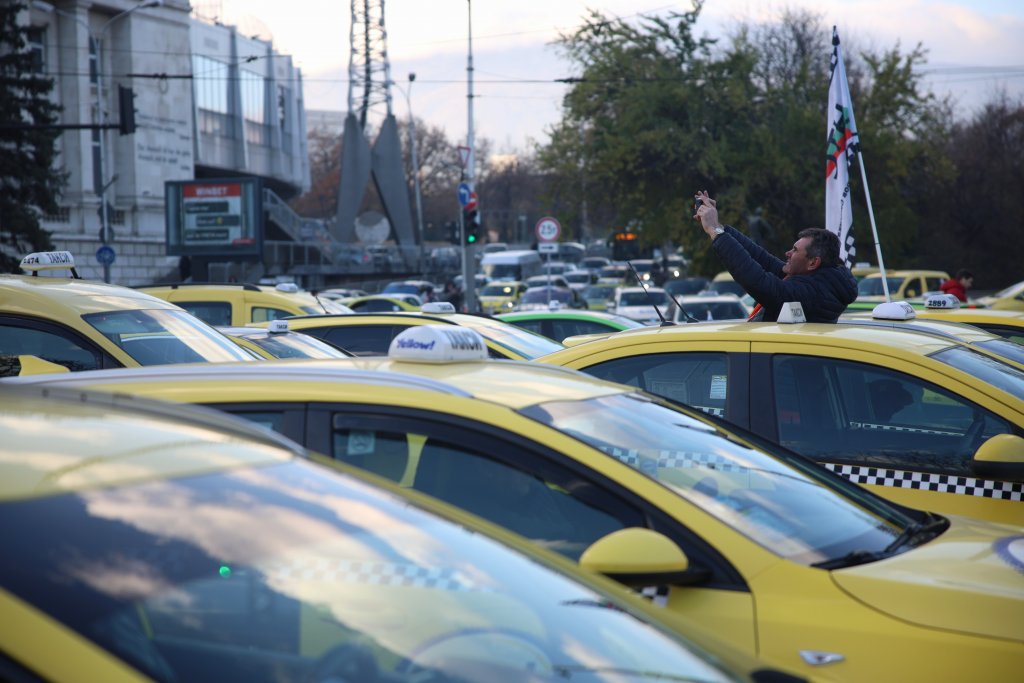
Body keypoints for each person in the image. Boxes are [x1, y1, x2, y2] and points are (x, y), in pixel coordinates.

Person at [693, 190, 857, 323]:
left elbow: (757, 281)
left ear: (813, 263)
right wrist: (719, 226)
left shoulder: (812, 294)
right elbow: (762, 259)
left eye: (795, 250)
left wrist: (715, 231)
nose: (788, 253)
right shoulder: (816, 282)